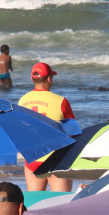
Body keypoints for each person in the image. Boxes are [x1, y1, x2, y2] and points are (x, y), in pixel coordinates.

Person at [18, 62, 75, 192]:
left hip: (33, 159)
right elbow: (72, 132)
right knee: (61, 203)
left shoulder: (22, 101)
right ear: (49, 79)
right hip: (57, 159)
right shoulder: (61, 101)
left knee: (35, 206)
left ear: (32, 79)